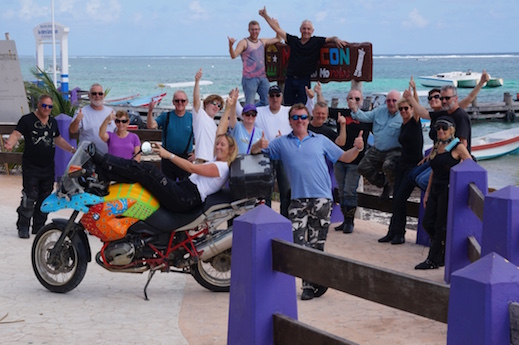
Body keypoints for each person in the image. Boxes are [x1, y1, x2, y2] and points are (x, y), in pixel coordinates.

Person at [252, 103, 364, 300]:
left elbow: (344, 157)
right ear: (290, 121)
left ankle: (311, 284)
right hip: (297, 201)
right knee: (298, 243)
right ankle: (311, 282)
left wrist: (357, 148)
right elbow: (257, 152)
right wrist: (257, 145)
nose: (300, 121)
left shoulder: (320, 140)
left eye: (303, 117)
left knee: (316, 244)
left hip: (322, 200)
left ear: (308, 119)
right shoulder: (282, 142)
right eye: (295, 118)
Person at [90, 96, 238, 214]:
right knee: (143, 177)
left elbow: (192, 169)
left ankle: (103, 161)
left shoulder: (221, 167)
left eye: (222, 145)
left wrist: (168, 155)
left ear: (231, 150)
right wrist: (228, 108)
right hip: (183, 190)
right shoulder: (218, 160)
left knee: (149, 170)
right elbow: (220, 133)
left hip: (186, 197)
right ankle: (105, 173)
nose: (218, 146)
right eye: (217, 144)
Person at [4, 94, 77, 238]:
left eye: (50, 106)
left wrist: (72, 150)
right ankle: (23, 226)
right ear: (38, 105)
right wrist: (10, 143)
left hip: (48, 167)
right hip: (31, 166)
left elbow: (58, 139)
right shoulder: (27, 120)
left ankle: (39, 227)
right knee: (29, 197)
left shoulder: (53, 122)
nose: (47, 109)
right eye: (44, 105)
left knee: (45, 197)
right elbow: (16, 134)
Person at [406, 72, 489, 191]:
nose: (443, 100)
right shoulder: (444, 113)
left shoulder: (460, 115)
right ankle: (433, 198)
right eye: (442, 98)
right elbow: (423, 113)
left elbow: (463, 144)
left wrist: (480, 83)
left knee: (422, 180)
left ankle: (442, 196)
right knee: (413, 176)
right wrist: (410, 97)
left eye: (446, 98)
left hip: (452, 159)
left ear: (455, 99)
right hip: (440, 155)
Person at [259, 6, 348, 106]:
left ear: (312, 31)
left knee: (302, 107)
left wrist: (336, 40)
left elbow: (331, 38)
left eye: (308, 29)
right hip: (290, 78)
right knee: (288, 106)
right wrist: (266, 16)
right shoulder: (294, 40)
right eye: (304, 29)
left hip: (304, 80)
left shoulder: (316, 41)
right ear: (300, 30)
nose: (306, 31)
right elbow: (277, 29)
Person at [415, 116, 472, 269]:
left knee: (441, 225)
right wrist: (427, 193)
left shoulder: (457, 147)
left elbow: (471, 164)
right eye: (438, 128)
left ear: (451, 130)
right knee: (428, 223)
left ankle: (433, 260)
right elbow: (433, 171)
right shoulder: (437, 146)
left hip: (448, 189)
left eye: (444, 128)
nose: (440, 130)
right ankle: (442, 251)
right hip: (435, 188)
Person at [236, 84, 293, 217]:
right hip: (265, 157)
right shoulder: (259, 111)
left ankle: (285, 219)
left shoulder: (288, 111)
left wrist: (312, 98)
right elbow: (243, 113)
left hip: (284, 156)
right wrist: (234, 102)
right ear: (267, 97)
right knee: (265, 191)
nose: (275, 98)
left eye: (277, 95)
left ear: (281, 97)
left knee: (286, 191)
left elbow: (307, 114)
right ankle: (266, 219)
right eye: (272, 96)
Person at [378, 94, 423, 244]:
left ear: (411, 109)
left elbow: (417, 107)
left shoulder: (415, 122)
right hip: (402, 165)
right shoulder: (403, 124)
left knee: (401, 199)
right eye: (401, 109)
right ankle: (392, 232)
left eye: (406, 108)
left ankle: (400, 234)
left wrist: (414, 90)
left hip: (413, 166)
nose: (403, 111)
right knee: (396, 199)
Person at [348, 90, 403, 199]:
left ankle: (395, 190)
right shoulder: (379, 111)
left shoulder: (404, 113)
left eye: (394, 101)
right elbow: (364, 117)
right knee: (362, 167)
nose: (391, 103)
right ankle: (384, 183)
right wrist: (354, 109)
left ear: (400, 101)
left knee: (388, 166)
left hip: (394, 150)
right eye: (388, 101)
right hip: (377, 149)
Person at [333, 89, 371, 233]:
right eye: (350, 98)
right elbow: (320, 109)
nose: (353, 101)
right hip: (340, 158)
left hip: (356, 161)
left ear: (361, 101)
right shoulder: (341, 113)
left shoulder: (367, 116)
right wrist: (317, 93)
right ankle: (345, 219)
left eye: (357, 99)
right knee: (342, 191)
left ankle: (350, 221)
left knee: (350, 190)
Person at [228, 20, 280, 106]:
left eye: (256, 29)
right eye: (252, 29)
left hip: (263, 77)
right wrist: (230, 46)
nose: (254, 32)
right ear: (249, 30)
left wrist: (276, 25)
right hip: (249, 78)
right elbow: (233, 55)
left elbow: (278, 38)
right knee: (249, 103)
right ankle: (247, 113)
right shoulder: (244, 42)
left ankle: (248, 111)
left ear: (259, 30)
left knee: (267, 102)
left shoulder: (262, 41)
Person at [147, 90, 194, 180]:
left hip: (185, 158)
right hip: (167, 157)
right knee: (167, 187)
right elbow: (151, 125)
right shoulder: (166, 116)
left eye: (183, 101)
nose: (180, 103)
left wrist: (197, 154)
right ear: (173, 102)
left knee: (184, 188)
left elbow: (202, 137)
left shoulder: (192, 118)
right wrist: (150, 111)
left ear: (187, 102)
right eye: (177, 101)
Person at [69, 83, 115, 154]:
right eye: (94, 94)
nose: (97, 96)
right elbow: (72, 130)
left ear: (104, 95)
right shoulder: (82, 112)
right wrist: (77, 120)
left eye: (100, 94)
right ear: (89, 95)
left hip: (108, 156)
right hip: (88, 156)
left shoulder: (111, 111)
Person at [193, 68, 226, 164]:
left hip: (213, 161)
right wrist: (197, 82)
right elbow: (196, 100)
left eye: (219, 106)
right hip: (202, 160)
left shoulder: (215, 126)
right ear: (206, 104)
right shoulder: (200, 114)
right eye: (214, 103)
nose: (216, 106)